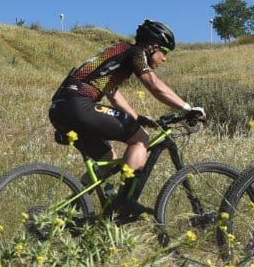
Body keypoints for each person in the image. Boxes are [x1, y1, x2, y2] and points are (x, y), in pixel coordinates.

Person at [48, 20, 204, 218]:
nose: (164, 59)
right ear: (153, 46)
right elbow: (154, 85)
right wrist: (188, 108)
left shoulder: (117, 54)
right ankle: (125, 202)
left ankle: (67, 212)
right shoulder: (135, 52)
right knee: (140, 138)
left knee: (107, 160)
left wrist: (136, 117)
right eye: (165, 52)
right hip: (79, 104)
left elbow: (112, 93)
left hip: (61, 107)